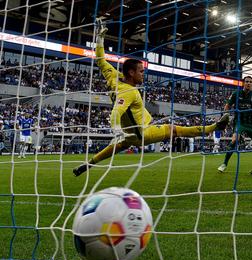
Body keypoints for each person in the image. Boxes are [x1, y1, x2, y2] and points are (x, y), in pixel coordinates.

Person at [73, 20, 228, 177]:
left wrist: (99, 38)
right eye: (141, 71)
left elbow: (100, 60)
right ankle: (214, 127)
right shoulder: (129, 92)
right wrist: (117, 131)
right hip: (141, 134)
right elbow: (115, 113)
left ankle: (87, 164)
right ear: (131, 73)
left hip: (129, 134)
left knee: (112, 149)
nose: (143, 74)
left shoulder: (113, 77)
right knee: (175, 130)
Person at [217, 76, 252, 173]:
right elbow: (227, 105)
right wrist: (225, 115)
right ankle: (224, 164)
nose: (248, 83)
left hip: (250, 123)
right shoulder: (236, 94)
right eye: (247, 81)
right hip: (239, 122)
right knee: (235, 140)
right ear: (243, 83)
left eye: (250, 82)